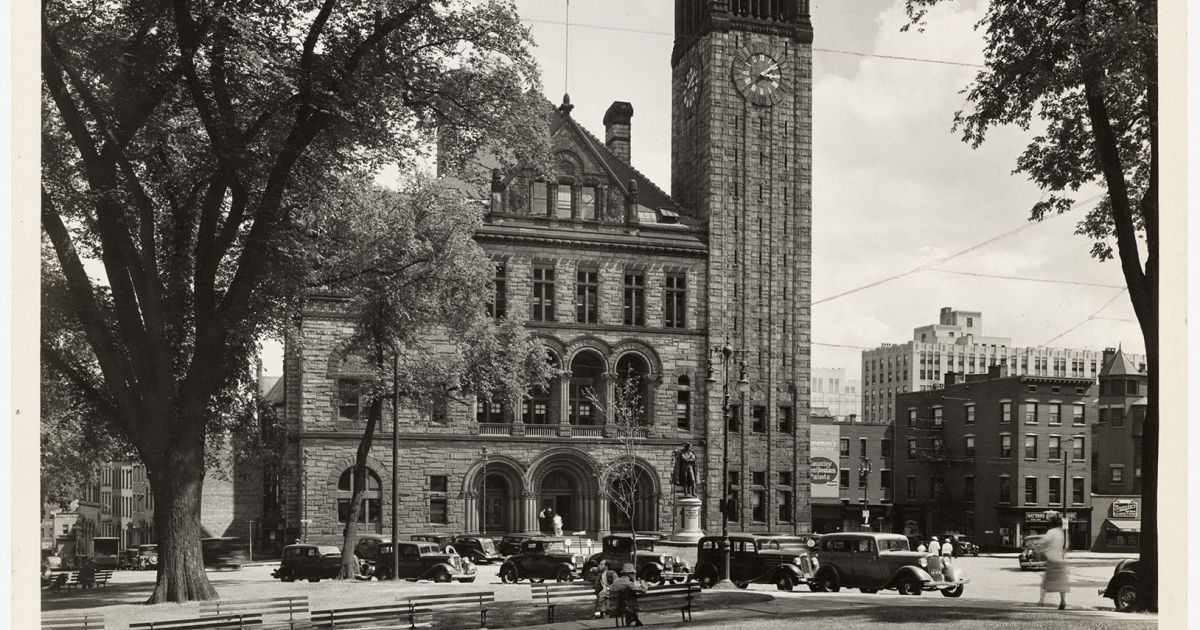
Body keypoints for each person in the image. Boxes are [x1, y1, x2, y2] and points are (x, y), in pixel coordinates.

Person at [1034, 514, 1070, 609]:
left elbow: (1043, 542)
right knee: (1062, 584)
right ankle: (1063, 602)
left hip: (1052, 561)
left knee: (1045, 582)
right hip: (1061, 561)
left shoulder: (1051, 532)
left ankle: (1041, 601)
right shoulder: (1063, 533)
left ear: (1051, 523)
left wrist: (1039, 548)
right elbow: (1066, 546)